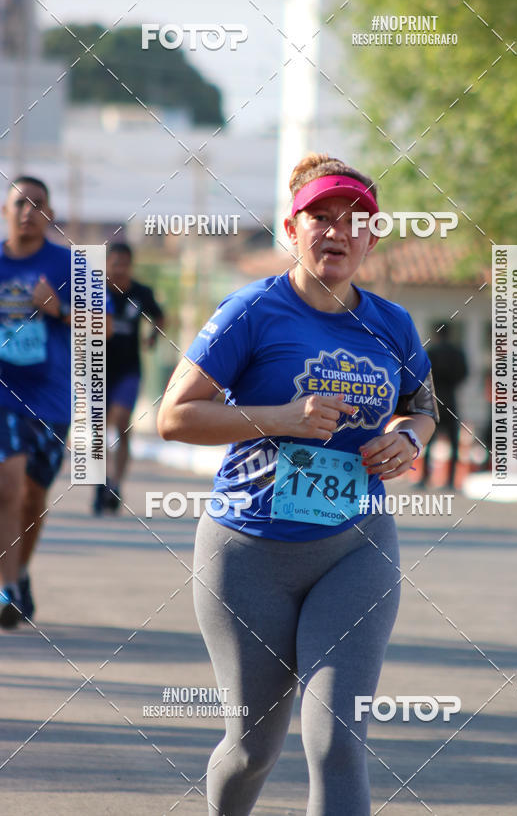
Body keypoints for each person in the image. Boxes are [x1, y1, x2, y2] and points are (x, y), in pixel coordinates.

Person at [157, 153, 439, 815]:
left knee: (338, 740)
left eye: (355, 220)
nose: (336, 230)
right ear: (292, 226)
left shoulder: (393, 323)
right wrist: (279, 419)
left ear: (372, 236)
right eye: (320, 216)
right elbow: (173, 416)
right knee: (254, 746)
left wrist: (408, 439)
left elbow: (424, 406)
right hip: (246, 553)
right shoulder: (252, 311)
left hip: (355, 549)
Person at [0, 176, 71, 629]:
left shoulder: (69, 265)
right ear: (6, 210)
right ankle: (6, 589)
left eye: (37, 204)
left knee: (33, 495)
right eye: (19, 203)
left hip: (51, 398)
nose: (28, 211)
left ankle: (19, 574)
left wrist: (59, 309)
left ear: (49, 213)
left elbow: (102, 329)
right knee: (7, 487)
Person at [92, 242, 164, 515]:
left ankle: (115, 483)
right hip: (97, 369)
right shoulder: (94, 291)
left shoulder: (140, 293)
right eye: (114, 263)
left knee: (121, 423)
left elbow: (159, 316)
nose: (119, 269)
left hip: (129, 370)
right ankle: (100, 483)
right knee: (98, 429)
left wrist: (152, 336)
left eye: (124, 263)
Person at [420, 324, 468, 489]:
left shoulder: (432, 351)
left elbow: (423, 373)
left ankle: (424, 478)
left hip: (435, 398)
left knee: (429, 440)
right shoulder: (457, 352)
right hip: (451, 399)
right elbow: (464, 373)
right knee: (454, 443)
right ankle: (450, 480)